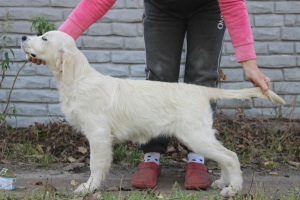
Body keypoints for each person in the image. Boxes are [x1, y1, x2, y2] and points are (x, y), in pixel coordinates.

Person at [29, 0, 271, 190]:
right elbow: (97, 0)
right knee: (159, 75)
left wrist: (248, 62)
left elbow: (232, 3)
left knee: (203, 76)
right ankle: (152, 155)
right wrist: (53, 44)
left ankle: (199, 157)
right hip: (161, 8)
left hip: (207, 7)